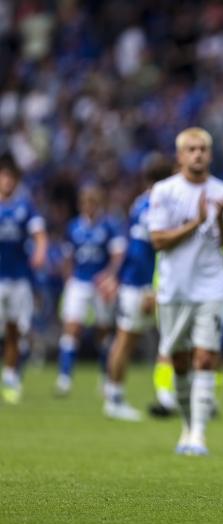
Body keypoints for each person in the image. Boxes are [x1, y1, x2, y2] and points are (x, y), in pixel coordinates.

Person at [148, 127, 223, 456]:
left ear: (210, 153)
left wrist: (219, 220)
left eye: (203, 148)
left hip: (210, 286)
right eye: (191, 149)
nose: (198, 154)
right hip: (174, 288)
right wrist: (196, 222)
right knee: (180, 361)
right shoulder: (163, 191)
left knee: (205, 356)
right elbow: (157, 240)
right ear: (180, 155)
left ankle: (199, 434)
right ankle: (187, 426)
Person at [102, 154, 173, 421]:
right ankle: (115, 397)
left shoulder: (138, 204)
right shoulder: (160, 205)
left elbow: (129, 247)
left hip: (136, 281)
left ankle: (117, 394)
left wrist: (116, 277)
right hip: (144, 284)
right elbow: (148, 251)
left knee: (136, 339)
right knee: (129, 339)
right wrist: (150, 288)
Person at [56, 185, 126, 395]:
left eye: (92, 202)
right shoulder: (73, 227)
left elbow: (117, 255)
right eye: (85, 202)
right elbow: (68, 257)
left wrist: (109, 276)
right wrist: (68, 279)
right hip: (79, 282)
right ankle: (64, 378)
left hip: (100, 285)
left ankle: (105, 376)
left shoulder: (109, 226)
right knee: (71, 329)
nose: (89, 207)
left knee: (103, 331)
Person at [0, 155, 47, 404]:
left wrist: (40, 251)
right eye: (3, 176)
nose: (7, 181)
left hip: (19, 278)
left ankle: (10, 376)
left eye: (10, 177)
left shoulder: (24, 206)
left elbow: (39, 233)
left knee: (14, 329)